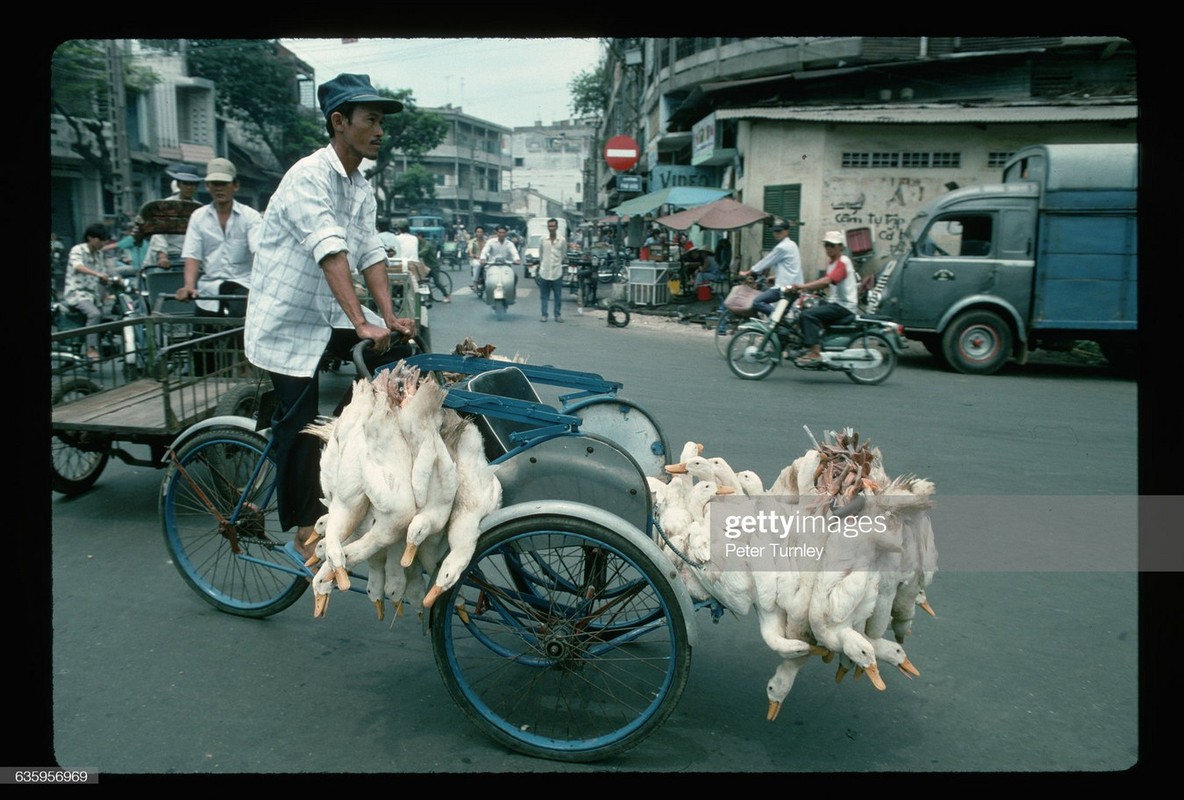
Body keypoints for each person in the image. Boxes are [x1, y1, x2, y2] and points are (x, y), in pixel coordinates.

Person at [244, 72, 417, 562]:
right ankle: (302, 527)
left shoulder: (360, 187)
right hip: (286, 320)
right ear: (339, 122)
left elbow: (368, 251)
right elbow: (331, 250)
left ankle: (344, 449)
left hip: (328, 311)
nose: (380, 130)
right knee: (300, 423)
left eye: (382, 121)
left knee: (400, 354)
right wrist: (361, 323)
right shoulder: (308, 176)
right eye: (371, 120)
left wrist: (388, 316)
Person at [175, 157, 262, 318]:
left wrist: (261, 287)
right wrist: (188, 286)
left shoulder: (250, 217)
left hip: (243, 286)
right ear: (207, 186)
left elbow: (259, 253)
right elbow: (193, 255)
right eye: (214, 184)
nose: (218, 189)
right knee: (201, 336)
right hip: (209, 288)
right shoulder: (198, 217)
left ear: (235, 185)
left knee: (240, 331)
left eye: (223, 184)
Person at [790, 230, 860, 366]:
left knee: (808, 315)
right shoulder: (831, 262)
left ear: (841, 247)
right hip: (835, 302)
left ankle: (815, 352)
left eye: (832, 245)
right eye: (826, 245)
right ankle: (811, 343)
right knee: (805, 306)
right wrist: (810, 292)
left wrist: (803, 286)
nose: (828, 248)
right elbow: (825, 283)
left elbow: (827, 281)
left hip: (844, 306)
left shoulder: (843, 262)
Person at [63, 222, 113, 362]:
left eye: (104, 240)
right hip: (76, 293)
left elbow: (104, 274)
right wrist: (97, 274)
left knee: (107, 315)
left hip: (92, 295)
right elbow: (78, 266)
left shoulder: (99, 254)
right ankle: (91, 348)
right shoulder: (77, 249)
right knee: (94, 314)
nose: (102, 243)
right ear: (90, 238)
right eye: (100, 240)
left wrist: (109, 284)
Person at [740, 218, 803, 317]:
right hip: (794, 286)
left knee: (757, 302)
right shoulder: (792, 244)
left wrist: (749, 272)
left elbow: (766, 261)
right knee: (784, 312)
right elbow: (790, 267)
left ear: (787, 231)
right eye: (775, 231)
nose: (776, 233)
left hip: (784, 287)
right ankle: (782, 325)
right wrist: (775, 277)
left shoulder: (782, 247)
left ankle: (777, 320)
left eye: (779, 231)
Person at [144, 162, 202, 269]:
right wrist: (162, 256)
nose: (189, 187)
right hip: (169, 254)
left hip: (193, 256)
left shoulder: (200, 209)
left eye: (192, 184)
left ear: (196, 186)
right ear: (179, 184)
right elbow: (158, 233)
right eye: (185, 183)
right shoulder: (165, 205)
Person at [536, 217, 566, 322]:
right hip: (544, 271)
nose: (551, 228)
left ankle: (557, 315)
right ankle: (544, 315)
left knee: (558, 295)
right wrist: (543, 265)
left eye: (553, 226)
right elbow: (541, 254)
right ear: (547, 227)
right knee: (544, 296)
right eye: (550, 226)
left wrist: (557, 264)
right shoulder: (543, 240)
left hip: (557, 272)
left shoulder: (562, 240)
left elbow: (563, 255)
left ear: (556, 227)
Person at [417, 230, 451, 302]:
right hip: (426, 266)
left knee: (437, 282)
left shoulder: (427, 245)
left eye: (417, 236)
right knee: (423, 281)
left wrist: (414, 254)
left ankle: (446, 295)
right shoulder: (419, 245)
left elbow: (423, 253)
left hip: (434, 266)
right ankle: (430, 297)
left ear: (421, 236)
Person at [466, 225, 487, 291]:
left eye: (481, 232)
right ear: (475, 233)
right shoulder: (472, 241)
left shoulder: (487, 242)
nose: (479, 233)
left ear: (483, 233)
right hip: (475, 259)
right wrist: (472, 255)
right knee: (477, 265)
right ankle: (475, 283)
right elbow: (470, 249)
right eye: (478, 232)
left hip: (485, 259)